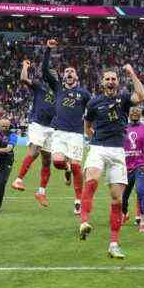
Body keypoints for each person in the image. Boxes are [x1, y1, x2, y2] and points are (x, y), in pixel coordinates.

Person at [79, 66, 144, 259]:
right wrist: (93, 137)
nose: (110, 81)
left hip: (118, 151)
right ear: (102, 83)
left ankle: (113, 244)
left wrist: (132, 73)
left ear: (117, 82)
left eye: (113, 79)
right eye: (107, 79)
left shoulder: (124, 98)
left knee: (117, 199)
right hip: (99, 147)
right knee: (92, 179)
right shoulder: (93, 102)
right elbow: (87, 126)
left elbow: (140, 95)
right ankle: (84, 221)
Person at [42, 39, 91, 215]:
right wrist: (48, 49)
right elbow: (44, 71)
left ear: (76, 77)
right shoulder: (58, 88)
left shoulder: (84, 93)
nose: (69, 73)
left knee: (78, 167)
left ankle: (78, 201)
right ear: (63, 77)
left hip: (76, 134)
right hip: (59, 132)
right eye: (67, 71)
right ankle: (67, 169)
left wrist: (92, 128)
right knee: (58, 162)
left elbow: (91, 111)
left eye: (72, 72)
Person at [11, 57, 57, 207]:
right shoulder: (40, 86)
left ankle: (41, 192)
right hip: (37, 124)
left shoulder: (61, 92)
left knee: (47, 161)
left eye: (55, 74)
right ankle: (18, 180)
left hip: (52, 128)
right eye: (50, 74)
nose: (53, 75)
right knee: (35, 150)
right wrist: (25, 65)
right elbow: (23, 78)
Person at [121, 106, 144, 233]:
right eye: (132, 111)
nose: (134, 112)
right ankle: (124, 213)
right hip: (125, 167)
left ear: (140, 114)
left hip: (141, 166)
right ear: (129, 114)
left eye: (137, 111)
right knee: (123, 196)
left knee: (140, 192)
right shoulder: (123, 129)